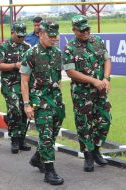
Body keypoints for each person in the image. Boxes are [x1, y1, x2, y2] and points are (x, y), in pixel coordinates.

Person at [63, 15, 112, 172]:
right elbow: (70, 72)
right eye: (82, 30)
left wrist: (106, 78)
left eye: (87, 29)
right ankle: (88, 155)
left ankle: (96, 149)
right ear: (74, 30)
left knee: (105, 119)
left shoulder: (97, 41)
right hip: (82, 93)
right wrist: (93, 81)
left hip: (100, 90)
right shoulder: (70, 48)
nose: (85, 32)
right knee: (84, 124)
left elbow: (107, 60)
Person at [20, 20, 65, 185]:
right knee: (46, 135)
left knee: (52, 134)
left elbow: (58, 79)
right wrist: (26, 104)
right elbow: (24, 81)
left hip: (56, 101)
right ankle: (49, 171)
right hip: (39, 102)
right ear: (40, 34)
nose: (53, 39)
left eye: (55, 36)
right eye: (50, 36)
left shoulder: (57, 53)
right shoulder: (30, 54)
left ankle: (37, 158)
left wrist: (59, 98)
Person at [0, 22, 31, 154]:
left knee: (23, 109)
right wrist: (15, 65)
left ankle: (21, 139)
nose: (21, 38)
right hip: (9, 84)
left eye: (23, 36)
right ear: (12, 33)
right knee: (14, 108)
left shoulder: (27, 47)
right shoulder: (4, 47)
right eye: (18, 36)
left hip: (24, 84)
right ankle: (14, 139)